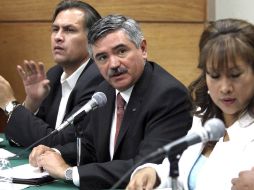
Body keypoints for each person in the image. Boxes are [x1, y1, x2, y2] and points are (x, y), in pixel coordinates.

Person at [28, 15, 192, 189]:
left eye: (121, 51)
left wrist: (67, 172)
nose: (113, 64)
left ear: (142, 49)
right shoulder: (105, 91)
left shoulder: (169, 95)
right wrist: (54, 153)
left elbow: (144, 166)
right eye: (102, 57)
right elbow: (92, 147)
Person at [126, 18, 254, 190]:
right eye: (215, 76)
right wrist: (153, 174)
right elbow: (180, 171)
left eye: (235, 75)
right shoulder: (203, 116)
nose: (225, 88)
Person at [0, 0, 104, 147]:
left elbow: (58, 144)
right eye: (55, 29)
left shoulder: (99, 79)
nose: (58, 37)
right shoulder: (54, 75)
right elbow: (22, 138)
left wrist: (9, 105)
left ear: (93, 39)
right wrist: (32, 102)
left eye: (69, 30)